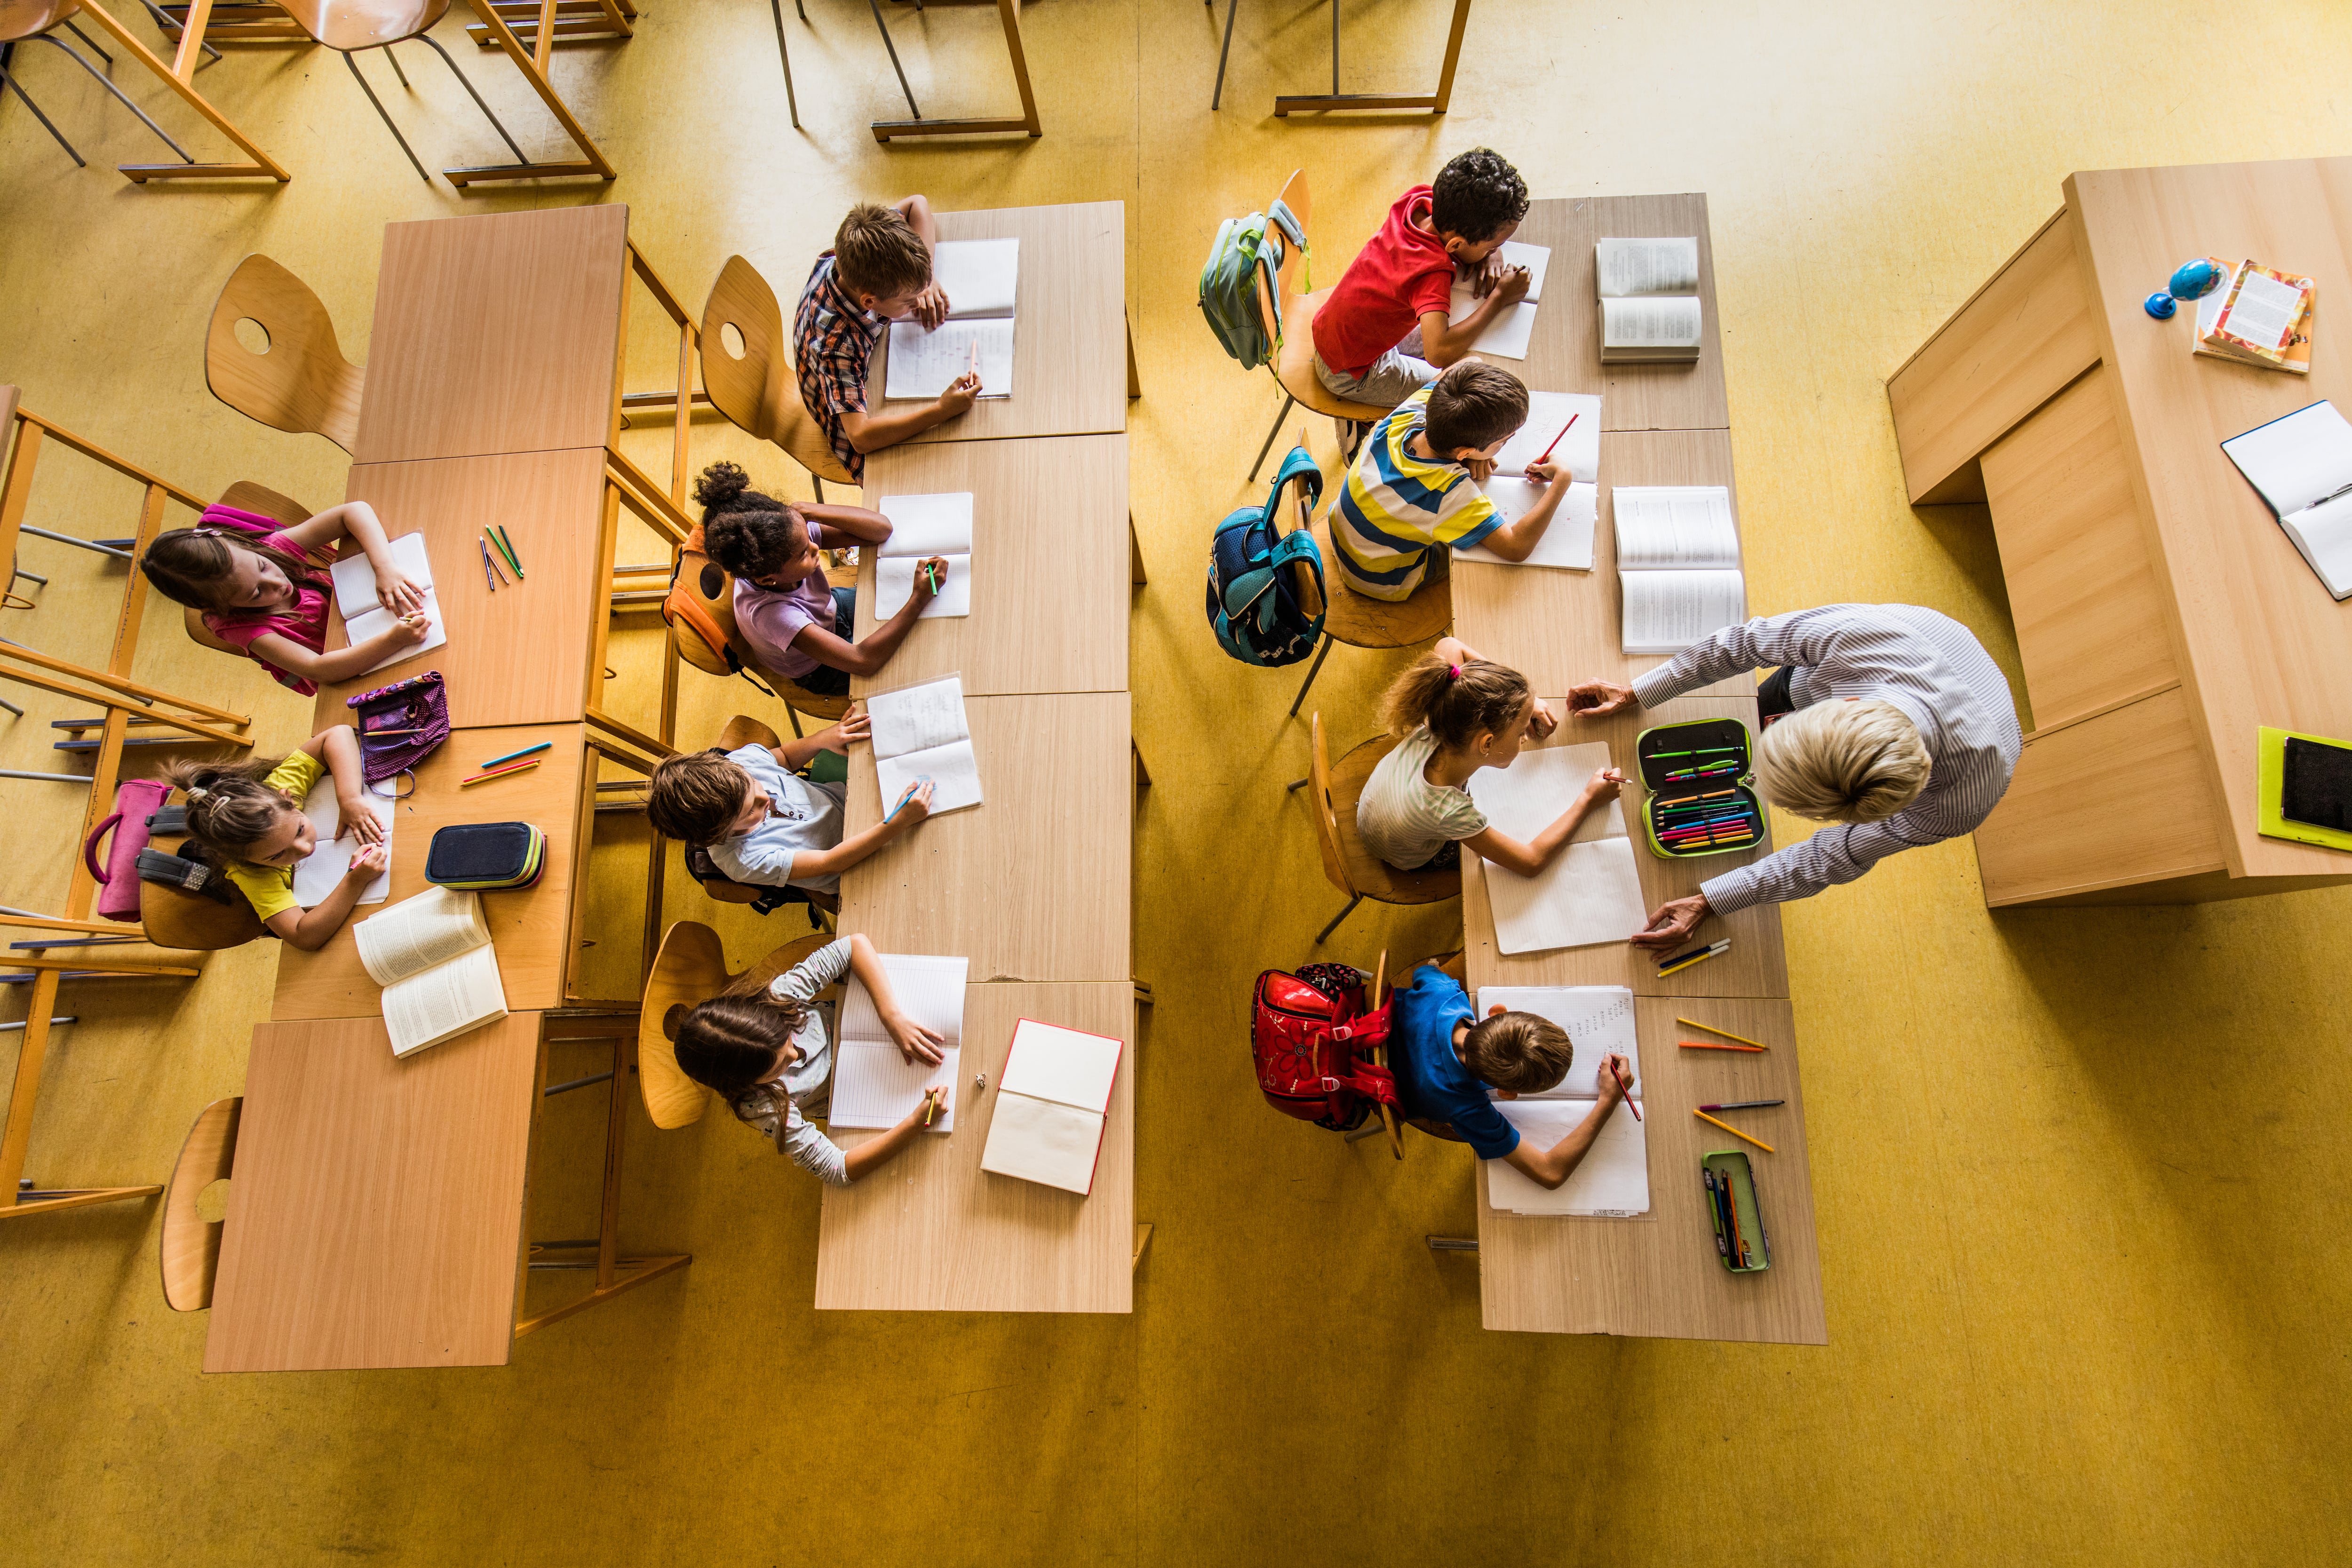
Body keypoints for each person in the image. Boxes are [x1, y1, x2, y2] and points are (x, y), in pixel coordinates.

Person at [1565, 603, 2024, 947]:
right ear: (1844, 702)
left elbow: (1837, 853)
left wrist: (1714, 899)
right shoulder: (1862, 638)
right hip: (1912, 642)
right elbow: (1746, 643)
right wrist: (1640, 690)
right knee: (1765, 701)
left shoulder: (1959, 803)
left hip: (1964, 725)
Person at [667, 932, 946, 1185]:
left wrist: (891, 1017)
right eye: (781, 1066)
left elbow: (853, 946)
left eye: (786, 1039)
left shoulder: (779, 998)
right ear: (746, 1082)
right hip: (856, 1098)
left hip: (869, 1027)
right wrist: (915, 1123)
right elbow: (837, 1170)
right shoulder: (762, 1106)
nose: (796, 1055)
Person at [1358, 637, 1623, 874]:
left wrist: (1519, 702)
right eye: (1521, 731)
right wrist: (1589, 800)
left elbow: (1449, 645)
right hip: (1402, 854)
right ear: (1486, 744)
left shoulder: (1444, 713)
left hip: (1373, 810)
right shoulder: (1450, 812)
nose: (1525, 736)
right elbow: (1530, 862)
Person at [1311, 146, 1533, 414]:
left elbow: (1454, 243)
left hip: (1339, 329)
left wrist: (1488, 252)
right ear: (1457, 244)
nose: (1495, 250)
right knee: (1456, 396)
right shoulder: (1430, 274)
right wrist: (1500, 298)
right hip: (1351, 373)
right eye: (1493, 245)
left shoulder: (1420, 199)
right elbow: (1438, 353)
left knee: (1463, 346)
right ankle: (1363, 425)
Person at [693, 461, 944, 697]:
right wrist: (918, 599)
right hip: (819, 669)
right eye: (805, 553)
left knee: (919, 619)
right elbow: (863, 661)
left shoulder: (787, 542)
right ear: (769, 579)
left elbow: (881, 530)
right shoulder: (773, 615)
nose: (816, 548)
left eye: (807, 538)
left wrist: (807, 511)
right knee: (917, 663)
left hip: (829, 611)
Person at [138, 500, 432, 696]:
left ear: (242, 546)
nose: (276, 583)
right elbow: (321, 670)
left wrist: (385, 568)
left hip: (367, 614)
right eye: (256, 594)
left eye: (263, 566)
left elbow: (353, 512)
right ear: (225, 608)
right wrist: (393, 640)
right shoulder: (245, 629)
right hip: (355, 668)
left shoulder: (270, 549)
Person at [1330, 360, 1568, 602]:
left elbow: (1471, 361)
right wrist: (1562, 481)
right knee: (1471, 557)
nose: (1503, 446)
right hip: (1379, 579)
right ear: (1464, 452)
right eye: (1503, 442)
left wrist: (1471, 455)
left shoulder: (1405, 417)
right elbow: (1516, 547)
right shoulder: (1448, 493)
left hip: (1346, 540)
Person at [1387, 961, 1632, 1187]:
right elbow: (1550, 1173)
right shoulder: (1467, 1110)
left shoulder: (1445, 994)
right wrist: (1608, 1102)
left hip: (1360, 1020)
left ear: (1496, 1012)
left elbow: (1424, 972)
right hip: (1376, 1090)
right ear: (1506, 1093)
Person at [793, 196, 979, 486]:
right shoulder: (838, 346)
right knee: (949, 478)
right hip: (849, 422)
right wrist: (941, 410)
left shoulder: (854, 254)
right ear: (870, 301)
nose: (918, 303)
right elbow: (861, 437)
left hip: (858, 376)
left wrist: (926, 280)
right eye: (908, 301)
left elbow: (918, 204)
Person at [161, 727, 387, 951]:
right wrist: (355, 880)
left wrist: (349, 798)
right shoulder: (249, 872)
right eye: (278, 855)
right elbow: (303, 937)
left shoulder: (275, 794)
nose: (305, 848)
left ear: (287, 798)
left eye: (299, 830)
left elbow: (337, 734)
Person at [644, 723, 929, 899]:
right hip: (860, 869)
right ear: (721, 833)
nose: (763, 797)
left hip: (857, 805)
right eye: (749, 812)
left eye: (753, 784)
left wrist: (822, 739)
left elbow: (785, 757)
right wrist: (895, 823)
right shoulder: (743, 862)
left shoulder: (741, 763)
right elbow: (831, 862)